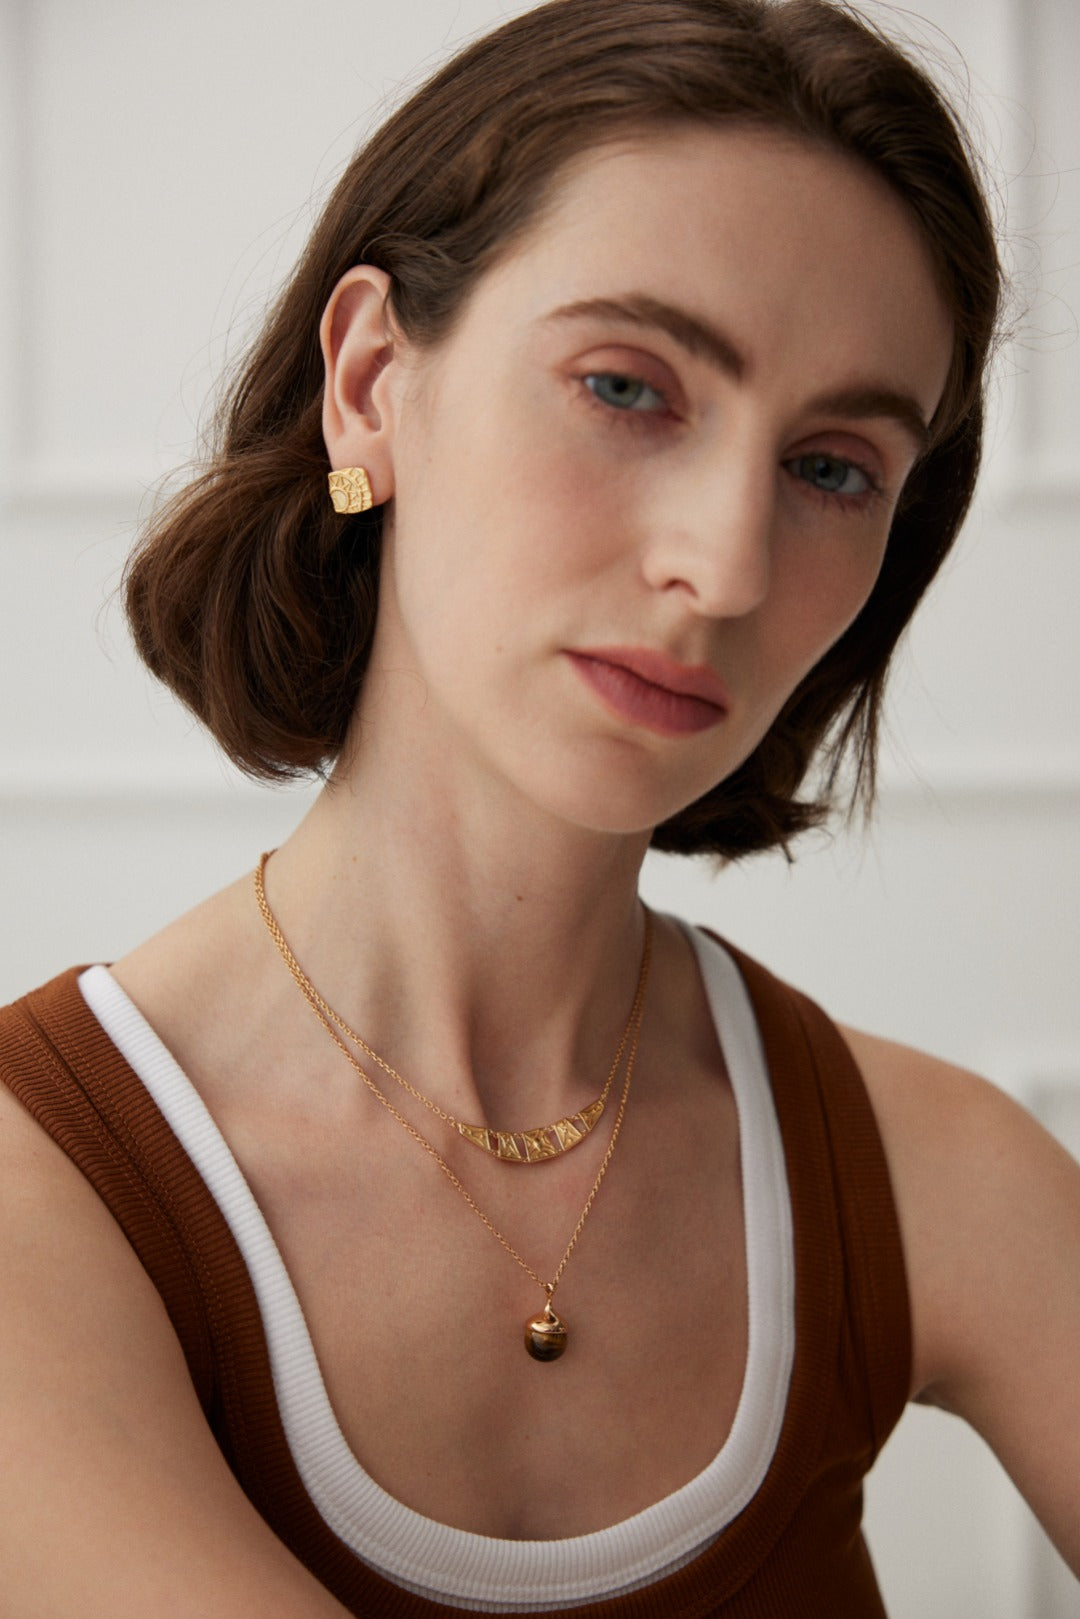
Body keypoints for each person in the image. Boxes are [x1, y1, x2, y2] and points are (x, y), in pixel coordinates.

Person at [1, 0, 1077, 1613]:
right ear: (371, 380)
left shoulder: (943, 1180)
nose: (722, 567)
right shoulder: (51, 1186)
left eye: (835, 468)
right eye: (628, 388)